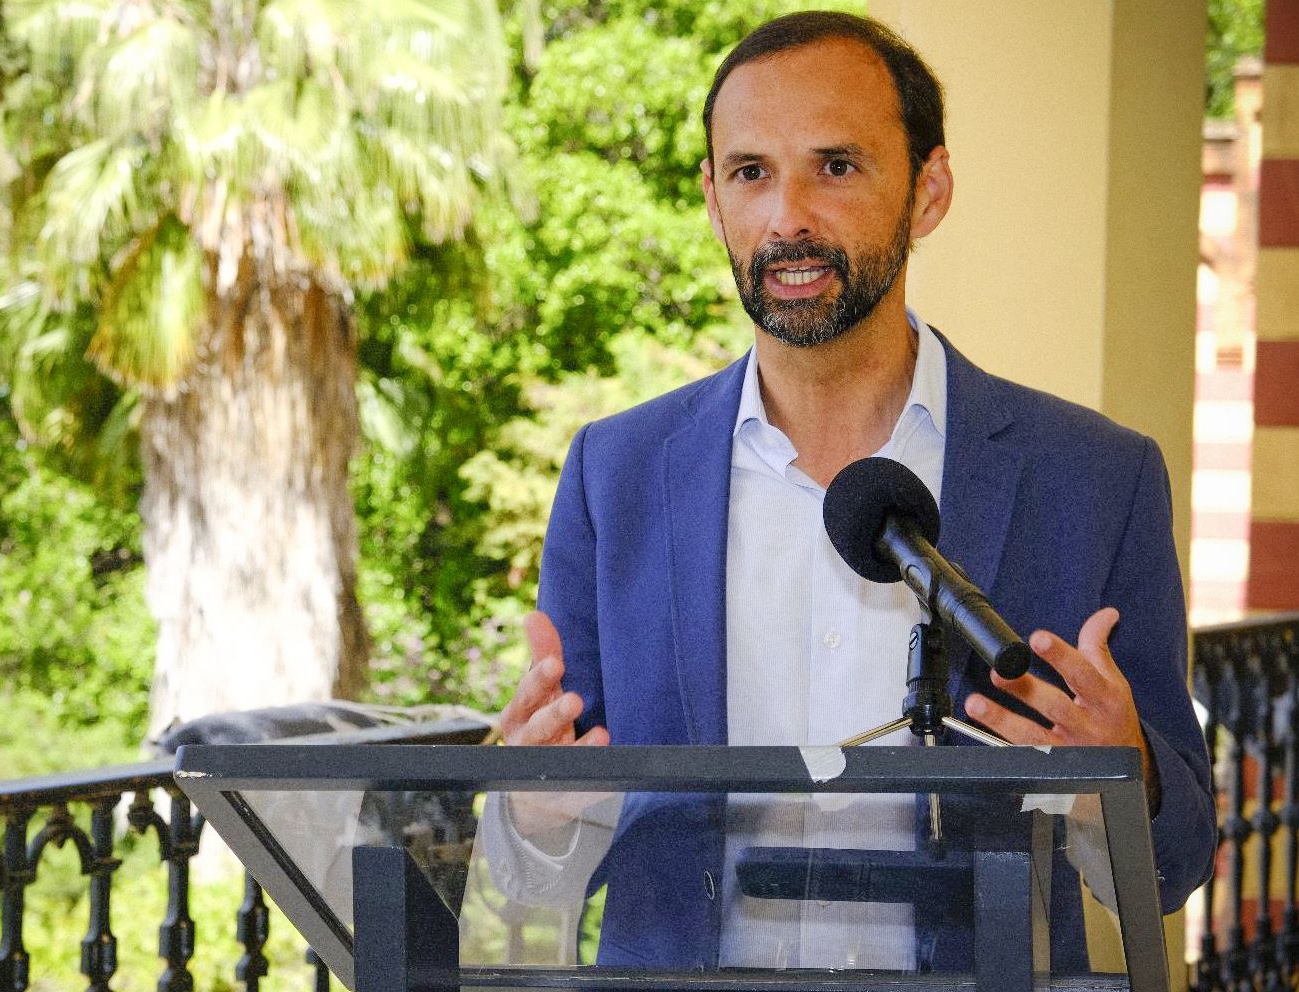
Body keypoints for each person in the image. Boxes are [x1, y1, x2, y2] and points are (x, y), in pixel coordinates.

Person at [492, 9, 1216, 976]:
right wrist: (529, 809)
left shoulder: (1093, 477)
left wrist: (1113, 780)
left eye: (835, 166)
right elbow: (534, 877)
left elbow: (1171, 865)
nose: (787, 214)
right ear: (712, 198)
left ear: (928, 190)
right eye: (751, 172)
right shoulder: (613, 475)